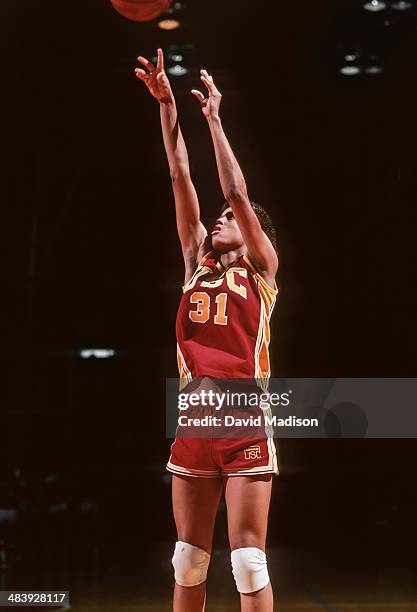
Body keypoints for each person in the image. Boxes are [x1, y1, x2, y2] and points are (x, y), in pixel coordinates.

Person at [135, 48, 279, 612]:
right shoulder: (195, 262)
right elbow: (178, 173)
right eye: (215, 217)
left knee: (247, 561)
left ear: (251, 233)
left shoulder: (262, 271)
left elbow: (236, 194)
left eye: (228, 220)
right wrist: (168, 106)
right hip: (196, 413)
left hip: (245, 412)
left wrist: (215, 120)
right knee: (187, 558)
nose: (218, 218)